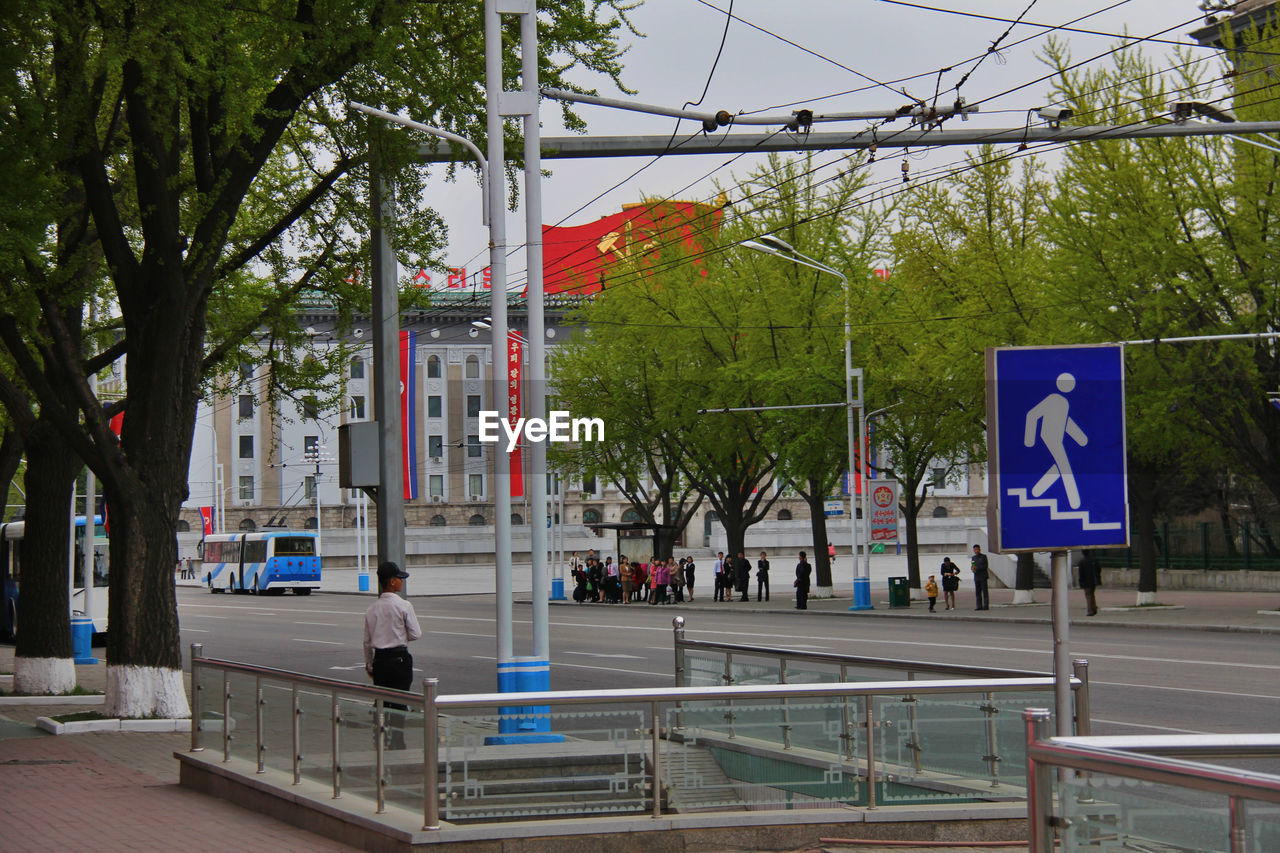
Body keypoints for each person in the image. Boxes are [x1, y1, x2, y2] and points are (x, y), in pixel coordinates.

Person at [363, 561, 422, 749]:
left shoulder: (372, 609)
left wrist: (370, 665)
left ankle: (380, 737)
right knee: (400, 701)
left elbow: (367, 642)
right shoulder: (404, 606)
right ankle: (397, 740)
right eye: (399, 579)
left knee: (382, 700)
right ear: (392, 582)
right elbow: (415, 634)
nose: (401, 582)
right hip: (399, 659)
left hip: (380, 661)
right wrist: (399, 635)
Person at [1079, 549, 1102, 616]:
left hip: (1086, 581)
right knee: (1092, 594)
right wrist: (1097, 576)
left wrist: (1081, 582)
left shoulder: (1082, 562)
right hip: (1094, 580)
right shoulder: (1094, 560)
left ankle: (1090, 611)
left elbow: (1081, 573)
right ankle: (1094, 608)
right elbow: (1099, 568)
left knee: (1088, 595)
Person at [970, 544, 990, 611]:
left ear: (979, 549)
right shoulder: (973, 558)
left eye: (977, 549)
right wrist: (972, 569)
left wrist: (977, 568)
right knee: (977, 592)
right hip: (976, 577)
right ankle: (979, 606)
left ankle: (986, 605)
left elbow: (985, 566)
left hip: (983, 576)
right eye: (975, 550)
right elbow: (972, 565)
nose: (976, 551)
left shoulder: (983, 557)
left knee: (984, 592)